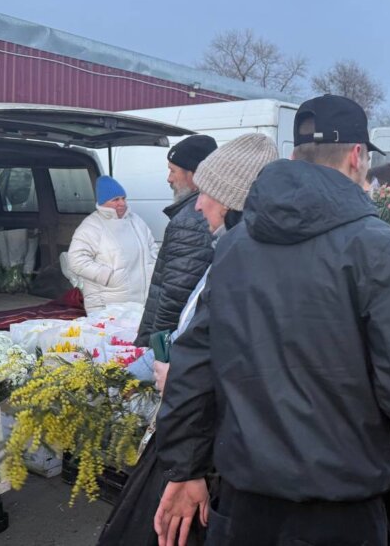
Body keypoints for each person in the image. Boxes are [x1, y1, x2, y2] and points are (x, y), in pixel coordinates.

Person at [153, 94, 390, 546]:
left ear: (294, 157)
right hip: (343, 502)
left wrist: (185, 468)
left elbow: (194, 362)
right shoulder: (381, 248)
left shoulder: (234, 246)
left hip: (246, 501)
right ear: (357, 156)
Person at [98, 133, 279, 546]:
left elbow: (220, 370)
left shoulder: (242, 265)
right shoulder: (242, 254)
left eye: (208, 194)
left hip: (214, 452)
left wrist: (171, 366)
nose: (198, 204)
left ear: (232, 200)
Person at [135, 134, 218, 347]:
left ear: (194, 175)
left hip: (177, 344)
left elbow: (175, 296)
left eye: (173, 170)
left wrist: (158, 350)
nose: (169, 178)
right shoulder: (195, 216)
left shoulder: (191, 221)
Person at [65, 176, 158, 313]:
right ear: (103, 202)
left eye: (123, 198)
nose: (122, 203)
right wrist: (108, 276)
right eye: (115, 200)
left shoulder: (135, 221)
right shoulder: (91, 226)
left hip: (142, 300)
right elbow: (76, 260)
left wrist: (151, 269)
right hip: (108, 303)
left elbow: (152, 248)